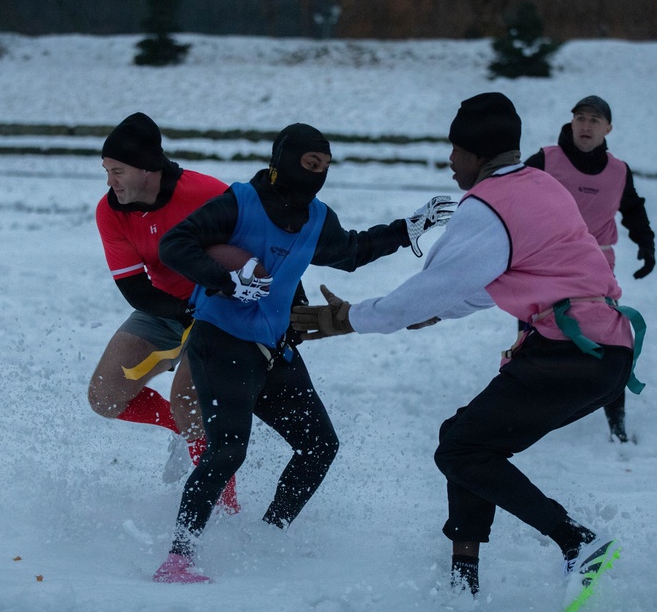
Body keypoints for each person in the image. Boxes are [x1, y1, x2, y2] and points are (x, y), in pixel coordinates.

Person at [292, 93, 646, 609]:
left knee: (462, 448)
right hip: (603, 351)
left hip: (571, 352)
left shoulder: (486, 206)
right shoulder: (541, 185)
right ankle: (464, 576)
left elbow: (426, 288)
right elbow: (494, 278)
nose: (450, 162)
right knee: (465, 441)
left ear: (476, 154)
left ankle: (577, 542)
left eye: (454, 150)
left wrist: (345, 318)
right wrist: (442, 310)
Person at [151, 122, 455, 583]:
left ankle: (271, 532)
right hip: (220, 343)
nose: (318, 175)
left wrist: (407, 228)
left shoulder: (316, 217)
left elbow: (352, 250)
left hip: (273, 351)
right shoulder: (238, 203)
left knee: (319, 446)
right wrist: (226, 279)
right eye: (311, 164)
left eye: (326, 168)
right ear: (284, 160)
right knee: (228, 450)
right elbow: (174, 244)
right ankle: (178, 558)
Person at [87, 111, 240, 512]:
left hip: (221, 313)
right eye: (106, 170)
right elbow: (134, 287)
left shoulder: (210, 195)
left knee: (191, 404)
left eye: (117, 170)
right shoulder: (111, 211)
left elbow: (263, 252)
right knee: (103, 398)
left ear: (148, 168)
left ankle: (226, 512)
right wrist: (181, 310)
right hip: (165, 307)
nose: (109, 182)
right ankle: (186, 431)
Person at [524, 95, 655, 443]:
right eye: (580, 117)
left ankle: (617, 425)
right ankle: (520, 410)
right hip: (546, 261)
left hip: (596, 267)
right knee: (536, 335)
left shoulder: (618, 171)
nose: (585, 125)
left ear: (608, 128)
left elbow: (633, 209)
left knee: (611, 340)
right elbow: (511, 195)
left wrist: (647, 244)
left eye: (594, 120)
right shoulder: (545, 160)